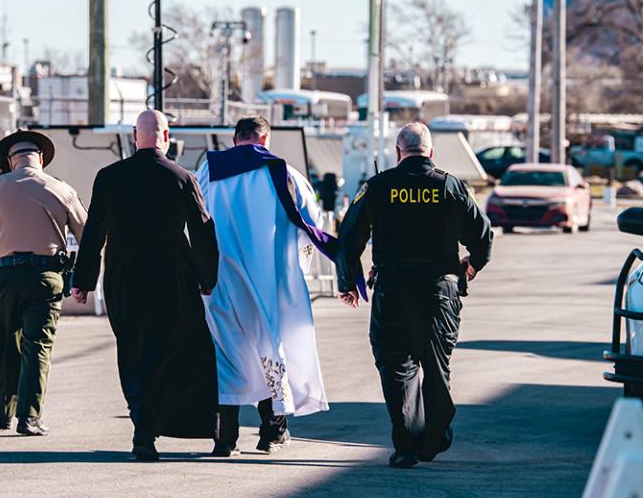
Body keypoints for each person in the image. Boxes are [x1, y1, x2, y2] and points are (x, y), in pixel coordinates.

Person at [336, 122, 494, 468]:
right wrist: (472, 265)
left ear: (397, 152)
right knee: (436, 365)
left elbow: (349, 238)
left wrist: (348, 282)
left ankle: (405, 445)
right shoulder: (450, 186)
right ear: (431, 152)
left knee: (397, 368)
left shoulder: (378, 186)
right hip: (440, 291)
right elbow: (482, 235)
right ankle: (434, 437)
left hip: (393, 291)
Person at [71, 109, 220, 462]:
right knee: (176, 350)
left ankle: (143, 427)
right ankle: (183, 425)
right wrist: (207, 277)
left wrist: (83, 281)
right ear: (166, 137)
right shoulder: (182, 177)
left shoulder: (109, 177)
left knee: (132, 350)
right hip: (172, 277)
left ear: (136, 136)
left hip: (124, 277)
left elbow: (93, 232)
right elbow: (202, 231)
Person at [197, 116, 333, 457]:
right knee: (270, 351)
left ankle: (224, 440)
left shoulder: (209, 171)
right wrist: (295, 266)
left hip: (222, 279)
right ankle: (271, 433)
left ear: (234, 139)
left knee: (226, 356)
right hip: (269, 281)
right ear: (265, 138)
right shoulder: (284, 173)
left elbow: (194, 219)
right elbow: (311, 224)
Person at [0, 129, 87, 437]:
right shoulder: (62, 190)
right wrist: (84, 281)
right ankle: (29, 416)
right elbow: (87, 235)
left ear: (10, 161)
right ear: (41, 160)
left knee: (4, 345)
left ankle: (2, 413)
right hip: (46, 277)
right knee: (38, 346)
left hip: (3, 277)